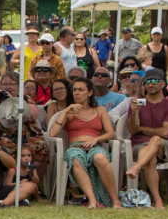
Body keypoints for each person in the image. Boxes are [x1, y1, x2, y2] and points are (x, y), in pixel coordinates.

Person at [49, 76, 120, 209]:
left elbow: (111, 133)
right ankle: (92, 200)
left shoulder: (100, 110)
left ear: (90, 92)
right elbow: (52, 133)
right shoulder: (69, 112)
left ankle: (115, 200)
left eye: (81, 90)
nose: (76, 93)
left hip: (94, 145)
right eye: (74, 90)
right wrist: (64, 112)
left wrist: (96, 139)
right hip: (75, 146)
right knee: (76, 158)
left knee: (101, 157)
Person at [124, 69, 168, 208]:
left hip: (164, 146)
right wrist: (135, 113)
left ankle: (136, 167)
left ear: (163, 84)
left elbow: (166, 133)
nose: (150, 84)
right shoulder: (136, 104)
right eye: (147, 81)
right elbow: (132, 129)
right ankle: (158, 200)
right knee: (150, 160)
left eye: (155, 81)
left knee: (156, 139)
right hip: (140, 145)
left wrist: (142, 128)